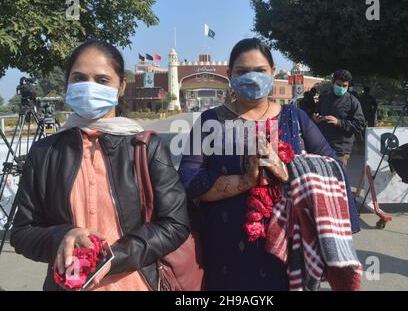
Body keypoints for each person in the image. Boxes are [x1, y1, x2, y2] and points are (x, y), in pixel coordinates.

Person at [178, 38, 360, 291]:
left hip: (287, 248)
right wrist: (244, 181)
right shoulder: (212, 121)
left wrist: (287, 170)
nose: (251, 78)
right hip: (224, 248)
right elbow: (188, 179)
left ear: (273, 72)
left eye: (260, 71)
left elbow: (334, 169)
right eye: (242, 72)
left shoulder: (294, 118)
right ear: (230, 75)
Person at [10, 40, 190, 291]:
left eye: (102, 80)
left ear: (121, 87)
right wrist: (61, 236)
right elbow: (22, 232)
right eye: (79, 78)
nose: (89, 87)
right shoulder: (45, 152)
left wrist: (113, 258)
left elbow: (175, 224)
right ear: (68, 83)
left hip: (135, 283)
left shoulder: (145, 147)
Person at [313, 70, 365, 166]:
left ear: (348, 86)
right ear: (333, 83)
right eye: (338, 85)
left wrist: (339, 122)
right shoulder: (324, 98)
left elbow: (359, 124)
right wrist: (316, 119)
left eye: (344, 86)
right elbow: (316, 113)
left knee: (338, 179)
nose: (341, 88)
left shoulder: (353, 102)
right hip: (322, 146)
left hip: (340, 150)